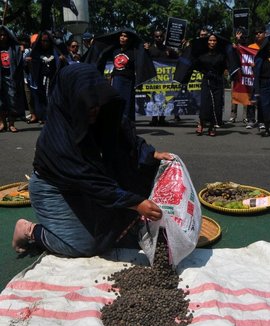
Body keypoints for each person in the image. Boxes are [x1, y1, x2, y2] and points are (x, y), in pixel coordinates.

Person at [12, 63, 174, 256]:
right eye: (86, 103)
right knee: (84, 245)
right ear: (71, 99)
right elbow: (90, 181)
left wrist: (149, 153)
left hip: (87, 185)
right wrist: (136, 203)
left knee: (114, 225)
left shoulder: (98, 110)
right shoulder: (58, 140)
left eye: (95, 101)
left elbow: (123, 134)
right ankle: (31, 231)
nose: (94, 108)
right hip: (54, 188)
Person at [84, 28, 156, 123]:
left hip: (129, 80)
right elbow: (102, 52)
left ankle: (127, 127)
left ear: (129, 39)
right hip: (116, 80)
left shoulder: (134, 50)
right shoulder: (114, 50)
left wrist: (147, 49)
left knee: (127, 106)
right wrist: (96, 42)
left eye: (125, 36)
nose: (122, 38)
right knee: (116, 104)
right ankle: (117, 126)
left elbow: (146, 58)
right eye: (121, 36)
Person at [189, 33, 240, 136]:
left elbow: (231, 62)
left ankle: (212, 126)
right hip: (207, 80)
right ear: (207, 42)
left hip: (218, 80)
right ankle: (201, 124)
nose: (212, 43)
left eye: (214, 41)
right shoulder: (202, 54)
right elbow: (193, 63)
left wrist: (235, 47)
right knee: (205, 105)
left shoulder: (221, 54)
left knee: (216, 105)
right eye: (210, 40)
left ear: (217, 42)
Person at [27, 30, 68, 124]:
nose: (44, 43)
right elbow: (31, 68)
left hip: (54, 80)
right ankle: (45, 117)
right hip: (41, 81)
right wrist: (29, 63)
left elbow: (63, 64)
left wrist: (62, 60)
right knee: (42, 99)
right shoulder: (36, 53)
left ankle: (55, 116)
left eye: (47, 41)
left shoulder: (55, 53)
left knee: (54, 98)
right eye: (42, 41)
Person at [145, 28, 181, 126]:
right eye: (157, 36)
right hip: (154, 79)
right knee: (154, 99)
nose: (159, 38)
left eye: (161, 36)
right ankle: (154, 119)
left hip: (166, 79)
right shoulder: (150, 49)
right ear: (154, 37)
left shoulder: (168, 49)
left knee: (165, 99)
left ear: (164, 37)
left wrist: (172, 53)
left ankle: (162, 119)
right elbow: (144, 60)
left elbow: (179, 59)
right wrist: (145, 50)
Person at [0, 25, 25, 133]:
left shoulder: (13, 48)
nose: (2, 37)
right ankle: (1, 123)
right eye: (0, 35)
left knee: (12, 101)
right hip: (0, 77)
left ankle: (11, 124)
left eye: (4, 35)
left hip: (11, 77)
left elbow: (19, 61)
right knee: (0, 102)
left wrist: (21, 49)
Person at [245, 26, 267, 130]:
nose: (258, 34)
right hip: (251, 77)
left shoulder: (267, 47)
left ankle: (261, 121)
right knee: (251, 100)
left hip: (263, 77)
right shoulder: (250, 47)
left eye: (260, 32)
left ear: (265, 34)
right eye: (256, 33)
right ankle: (250, 120)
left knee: (261, 100)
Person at [228, 27, 248, 124]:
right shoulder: (233, 46)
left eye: (241, 34)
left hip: (245, 74)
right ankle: (233, 116)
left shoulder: (247, 47)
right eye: (237, 34)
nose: (239, 36)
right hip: (235, 74)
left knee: (245, 95)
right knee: (234, 95)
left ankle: (245, 116)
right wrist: (236, 40)